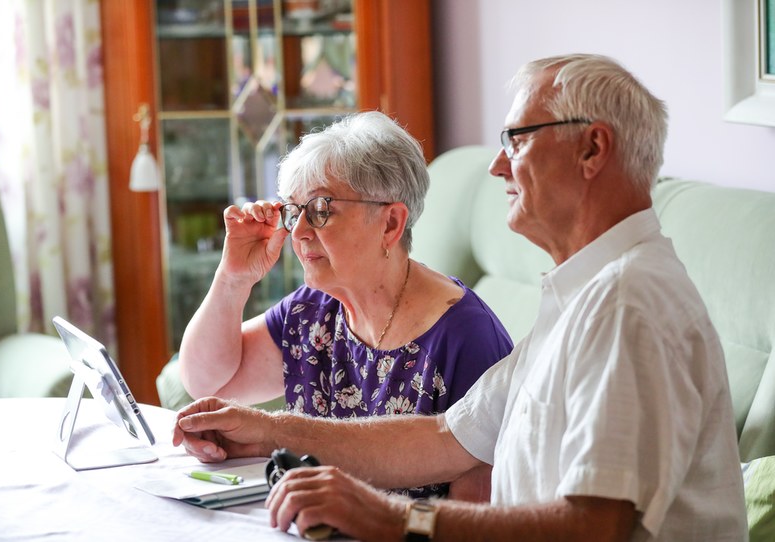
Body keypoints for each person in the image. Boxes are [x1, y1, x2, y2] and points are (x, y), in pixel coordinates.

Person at [172, 55, 747, 541]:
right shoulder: (584, 293)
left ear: (593, 149)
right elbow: (446, 437)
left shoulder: (628, 304)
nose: (498, 165)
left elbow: (597, 525)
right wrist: (269, 429)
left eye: (517, 141)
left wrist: (393, 518)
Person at [177, 111, 514, 499]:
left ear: (390, 223)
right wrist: (233, 278)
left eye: (321, 210)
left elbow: (474, 522)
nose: (299, 232)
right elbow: (207, 381)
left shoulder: (466, 338)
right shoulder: (313, 311)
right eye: (294, 211)